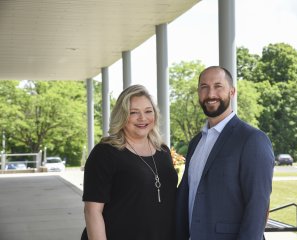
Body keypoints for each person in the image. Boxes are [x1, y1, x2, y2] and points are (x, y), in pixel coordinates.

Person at [176, 66, 274, 240]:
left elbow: (258, 206)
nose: (210, 93)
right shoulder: (195, 142)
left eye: (218, 86)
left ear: (232, 92)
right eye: (204, 87)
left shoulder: (252, 139)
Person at [81, 84, 178, 240]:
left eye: (148, 111)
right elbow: (92, 211)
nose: (142, 118)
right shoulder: (105, 153)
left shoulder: (163, 152)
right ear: (122, 115)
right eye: (134, 112)